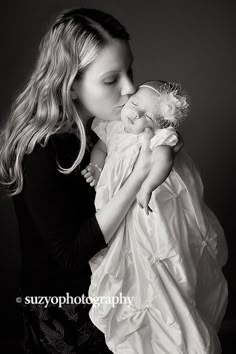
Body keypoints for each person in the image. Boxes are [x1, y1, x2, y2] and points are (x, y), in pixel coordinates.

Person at [0, 8, 183, 353]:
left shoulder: (108, 130)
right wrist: (140, 175)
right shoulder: (40, 150)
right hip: (66, 310)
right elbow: (69, 254)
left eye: (129, 69)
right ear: (69, 86)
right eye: (111, 79)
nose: (130, 88)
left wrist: (165, 147)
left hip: (117, 294)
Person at [82, 80, 228, 353]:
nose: (135, 114)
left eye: (147, 115)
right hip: (116, 206)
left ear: (160, 123)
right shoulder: (113, 125)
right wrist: (96, 166)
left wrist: (147, 187)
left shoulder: (158, 137)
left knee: (154, 262)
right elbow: (101, 147)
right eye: (135, 103)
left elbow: (164, 161)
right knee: (124, 261)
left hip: (149, 209)